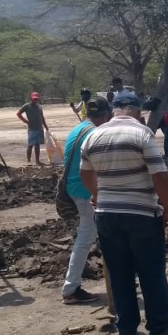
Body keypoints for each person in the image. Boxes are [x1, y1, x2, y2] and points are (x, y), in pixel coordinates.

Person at [80, 92, 168, 335]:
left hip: (107, 215)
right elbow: (160, 175)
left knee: (119, 273)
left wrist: (98, 194)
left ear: (114, 111)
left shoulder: (93, 135)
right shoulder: (142, 134)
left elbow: (85, 174)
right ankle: (159, 330)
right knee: (151, 273)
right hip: (140, 214)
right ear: (137, 111)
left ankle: (126, 330)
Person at [60, 96, 112, 304]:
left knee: (99, 233)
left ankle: (121, 276)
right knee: (86, 237)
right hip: (86, 191)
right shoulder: (95, 133)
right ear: (106, 115)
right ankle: (71, 288)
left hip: (75, 188)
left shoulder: (79, 128)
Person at [17, 92, 49, 165]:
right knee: (30, 145)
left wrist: (46, 126)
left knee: (37, 145)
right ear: (31, 98)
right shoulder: (27, 106)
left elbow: (42, 117)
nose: (35, 100)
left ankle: (37, 161)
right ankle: (28, 160)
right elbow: (18, 114)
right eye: (34, 99)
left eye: (36, 99)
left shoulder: (39, 107)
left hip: (39, 127)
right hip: (32, 128)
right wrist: (26, 122)